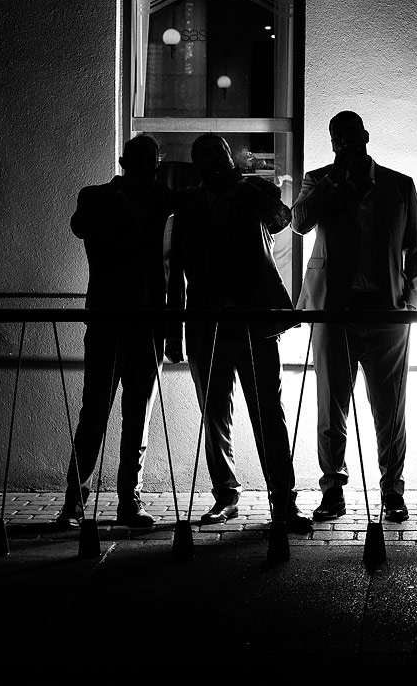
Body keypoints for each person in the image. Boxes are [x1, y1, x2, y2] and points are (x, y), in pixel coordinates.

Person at [164, 134, 312, 534]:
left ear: (229, 157)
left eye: (218, 152)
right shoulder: (188, 205)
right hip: (205, 324)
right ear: (195, 163)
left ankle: (283, 501)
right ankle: (225, 496)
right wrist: (173, 332)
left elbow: (284, 221)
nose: (211, 158)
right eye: (203, 154)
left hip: (256, 320)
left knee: (270, 412)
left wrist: (243, 188)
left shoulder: (254, 190)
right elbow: (174, 270)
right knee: (214, 414)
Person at [290, 111, 417, 523]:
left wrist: (411, 303)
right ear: (331, 143)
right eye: (337, 137)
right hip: (334, 311)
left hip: (387, 313)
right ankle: (333, 490)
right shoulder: (319, 180)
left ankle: (392, 490)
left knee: (390, 409)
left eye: (351, 134)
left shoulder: (399, 185)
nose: (344, 142)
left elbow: (415, 249)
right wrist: (333, 180)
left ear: (366, 136)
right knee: (331, 408)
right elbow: (298, 223)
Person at [56, 134, 185, 530]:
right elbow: (79, 227)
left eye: (151, 160)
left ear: (157, 164)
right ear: (123, 160)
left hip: (148, 322)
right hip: (108, 320)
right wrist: (122, 196)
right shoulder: (95, 196)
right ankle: (74, 503)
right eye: (138, 159)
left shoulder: (166, 199)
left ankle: (129, 500)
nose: (145, 166)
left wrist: (174, 330)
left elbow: (175, 267)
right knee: (93, 414)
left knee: (137, 418)